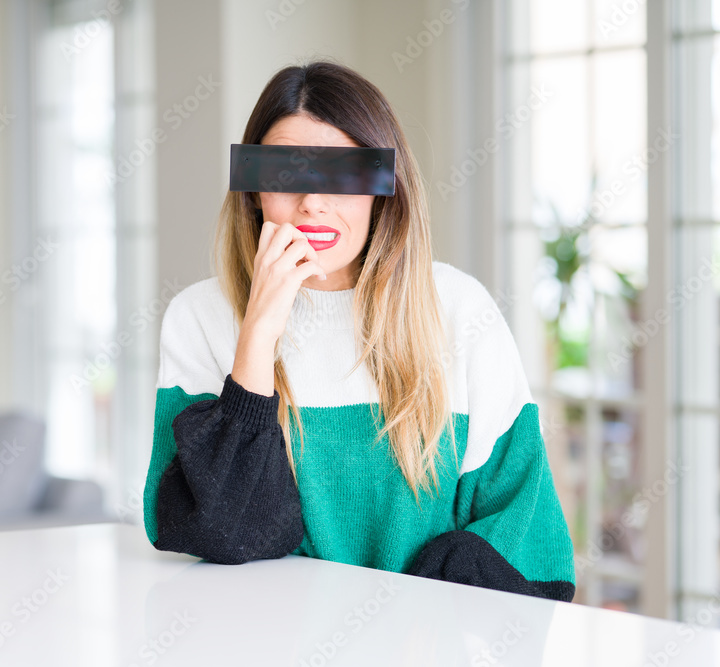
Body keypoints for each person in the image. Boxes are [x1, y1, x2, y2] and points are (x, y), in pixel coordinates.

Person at [142, 60, 576, 603]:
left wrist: (412, 618)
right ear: (253, 191)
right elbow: (216, 532)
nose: (313, 203)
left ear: (382, 190)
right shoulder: (198, 318)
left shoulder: (461, 311)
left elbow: (532, 548)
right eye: (285, 174)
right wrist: (258, 334)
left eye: (344, 174)